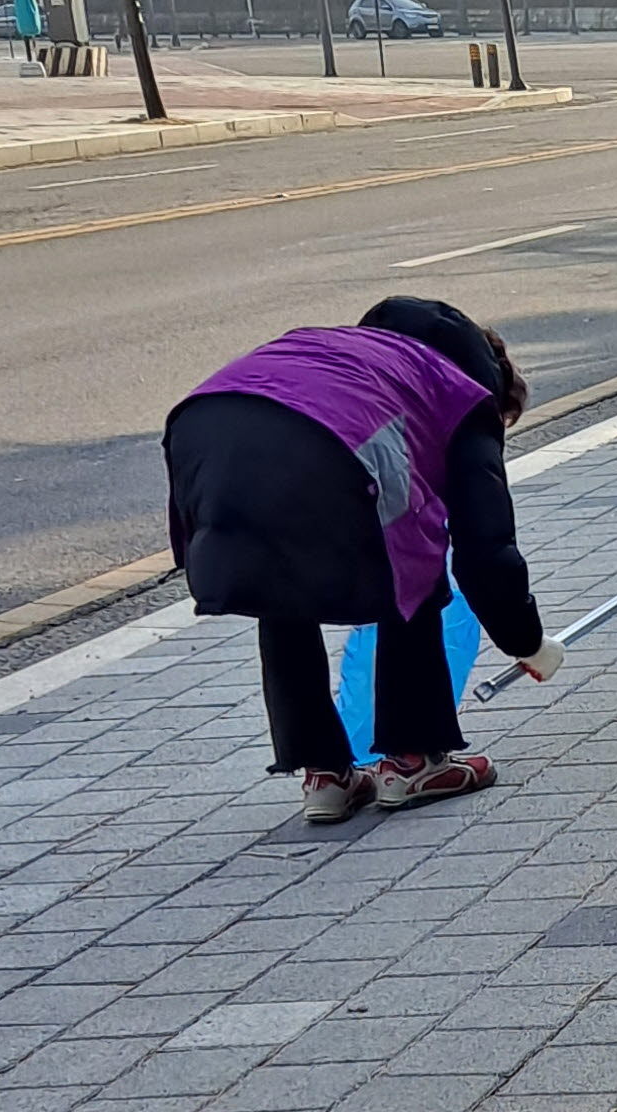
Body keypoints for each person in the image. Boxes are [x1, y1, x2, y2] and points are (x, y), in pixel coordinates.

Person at [166, 296, 558, 823]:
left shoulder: (349, 354)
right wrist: (527, 641)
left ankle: (324, 775)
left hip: (204, 432)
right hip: (310, 439)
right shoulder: (459, 393)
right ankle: (414, 760)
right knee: (415, 557)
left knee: (277, 582)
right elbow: (485, 548)